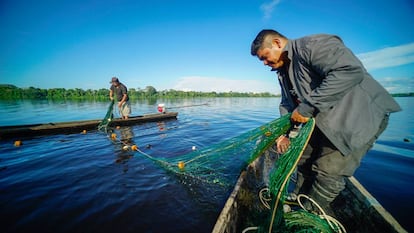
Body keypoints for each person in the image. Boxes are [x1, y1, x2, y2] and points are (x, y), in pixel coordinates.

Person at [250, 29, 401, 212]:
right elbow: (287, 104)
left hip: (357, 117)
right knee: (302, 156)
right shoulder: (283, 71)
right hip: (324, 119)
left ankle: (310, 215)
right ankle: (299, 198)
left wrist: (307, 108)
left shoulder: (312, 45)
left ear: (277, 43)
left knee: (328, 171)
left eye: (265, 57)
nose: (265, 63)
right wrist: (284, 134)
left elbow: (350, 70)